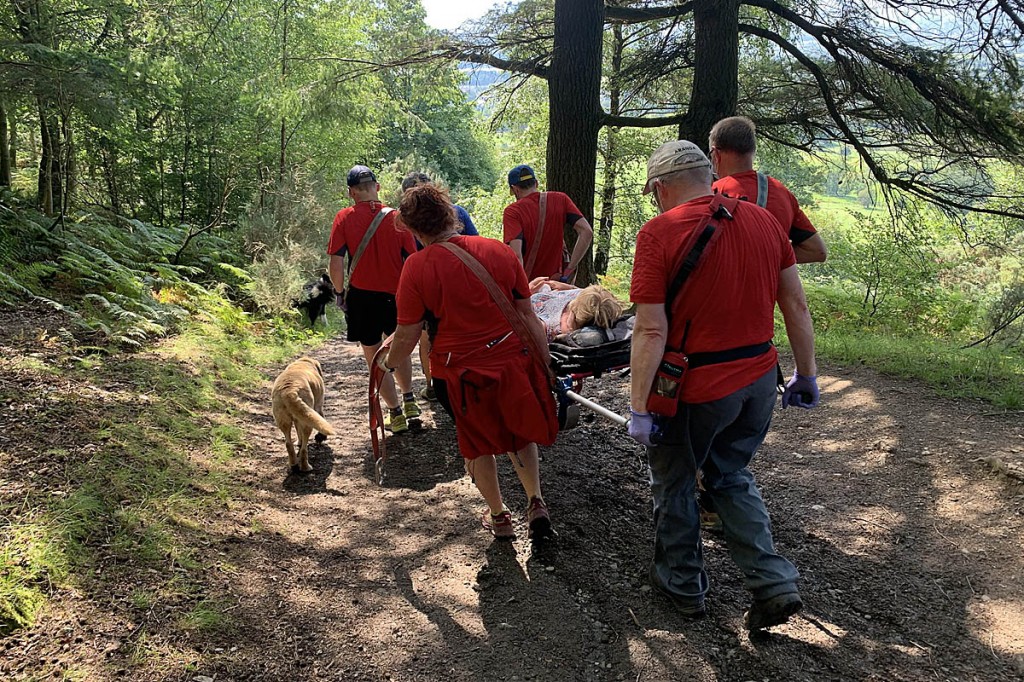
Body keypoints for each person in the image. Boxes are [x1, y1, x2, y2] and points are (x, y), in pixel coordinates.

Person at [627, 140, 820, 631]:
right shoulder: (766, 222)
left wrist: (639, 406)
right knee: (730, 475)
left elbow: (651, 330)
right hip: (758, 379)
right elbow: (795, 306)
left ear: (663, 186)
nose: (654, 201)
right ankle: (773, 583)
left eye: (654, 193)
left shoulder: (660, 233)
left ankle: (682, 586)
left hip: (696, 387)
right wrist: (807, 373)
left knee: (673, 481)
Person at [383, 184, 558, 542]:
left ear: (414, 229)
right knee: (519, 432)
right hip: (512, 362)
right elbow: (529, 318)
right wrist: (546, 364)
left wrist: (385, 366)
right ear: (451, 214)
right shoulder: (497, 250)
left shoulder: (416, 268)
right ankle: (535, 501)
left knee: (477, 444)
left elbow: (407, 335)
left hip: (460, 374)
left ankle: (499, 516)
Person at [327, 165, 420, 434]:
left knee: (375, 355)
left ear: (350, 192)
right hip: (397, 295)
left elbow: (336, 262)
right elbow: (411, 260)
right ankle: (410, 397)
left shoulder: (343, 218)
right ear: (377, 187)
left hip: (362, 297)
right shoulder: (397, 217)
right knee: (399, 347)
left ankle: (395, 412)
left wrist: (339, 292)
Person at [400, 172, 478, 402]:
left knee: (428, 335)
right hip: (467, 281)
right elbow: (472, 243)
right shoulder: (458, 212)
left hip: (430, 285)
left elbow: (408, 256)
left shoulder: (407, 222)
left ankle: (432, 383)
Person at [710, 116, 828, 264]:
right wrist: (771, 254)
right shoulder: (782, 192)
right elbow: (817, 251)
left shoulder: (714, 192)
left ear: (716, 154)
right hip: (770, 285)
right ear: (752, 151)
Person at [503, 164, 594, 282]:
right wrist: (570, 269)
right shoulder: (561, 199)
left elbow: (516, 255)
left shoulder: (513, 212)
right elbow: (587, 231)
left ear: (515, 189)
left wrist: (521, 289)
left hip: (531, 284)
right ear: (536, 183)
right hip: (557, 283)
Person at [528, 279, 624, 340]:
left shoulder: (548, 327)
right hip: (548, 295)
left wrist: (526, 292)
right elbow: (593, 297)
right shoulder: (592, 304)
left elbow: (522, 316)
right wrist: (570, 287)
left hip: (528, 301)